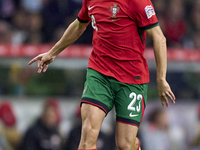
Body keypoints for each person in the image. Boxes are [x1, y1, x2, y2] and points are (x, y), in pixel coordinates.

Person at [28, 0, 176, 149]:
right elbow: (79, 24)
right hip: (99, 74)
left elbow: (159, 38)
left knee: (125, 145)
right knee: (87, 137)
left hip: (131, 79)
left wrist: (161, 78)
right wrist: (52, 53)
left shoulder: (138, 2)